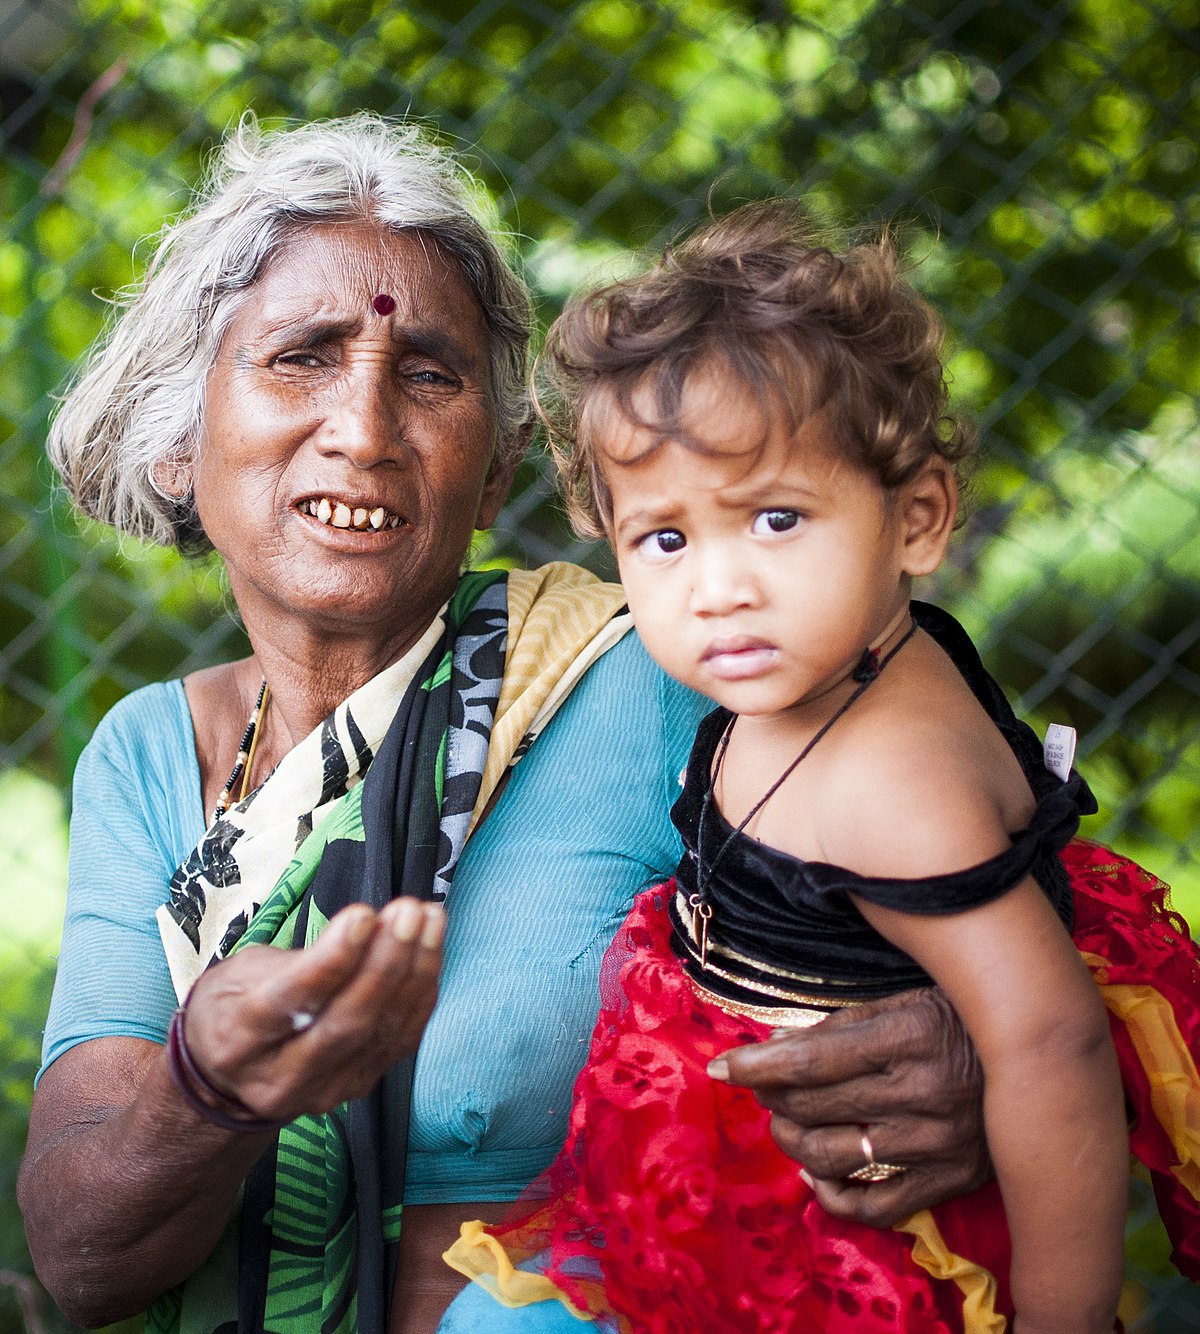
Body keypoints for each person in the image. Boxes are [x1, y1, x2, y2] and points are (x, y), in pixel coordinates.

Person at [15, 118, 1004, 1334]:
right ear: (181, 440)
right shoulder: (150, 757)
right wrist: (206, 1086)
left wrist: (968, 1053)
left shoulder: (659, 675)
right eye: (303, 357)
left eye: (429, 372)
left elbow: (1020, 916)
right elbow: (79, 1253)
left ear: (493, 473)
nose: (366, 427)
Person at [443, 202, 1200, 1333]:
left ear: (919, 520)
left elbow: (1051, 1043)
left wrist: (1064, 1318)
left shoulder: (898, 777)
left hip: (848, 1246)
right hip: (710, 1186)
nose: (719, 586)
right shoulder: (811, 667)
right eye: (666, 537)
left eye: (778, 518)